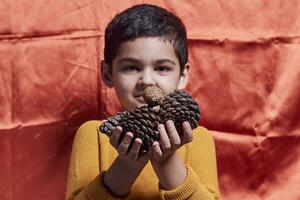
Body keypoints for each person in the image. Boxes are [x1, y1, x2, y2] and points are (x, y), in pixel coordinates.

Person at [66, 4, 220, 200]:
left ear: (182, 75)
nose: (147, 80)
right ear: (107, 73)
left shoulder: (197, 138)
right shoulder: (93, 135)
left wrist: (167, 163)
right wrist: (127, 165)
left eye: (162, 68)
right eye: (131, 67)